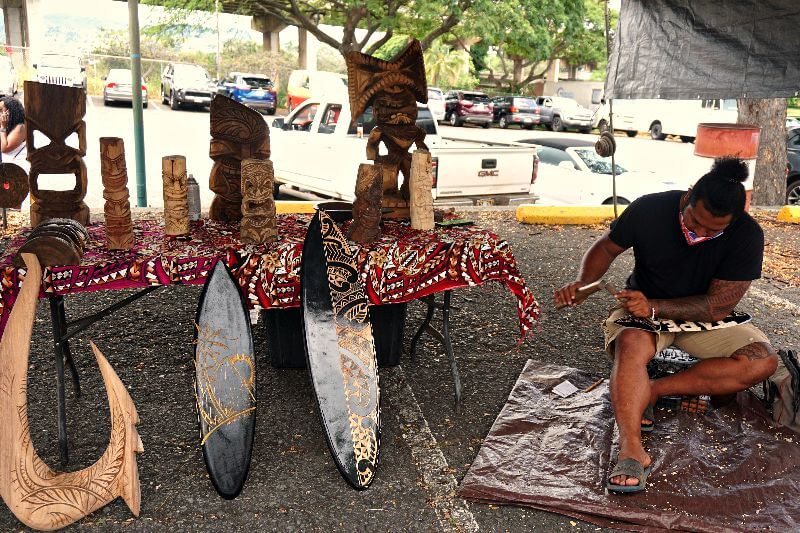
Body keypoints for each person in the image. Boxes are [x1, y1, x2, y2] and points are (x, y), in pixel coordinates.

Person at [554, 157, 777, 494]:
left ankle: (655, 390)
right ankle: (631, 449)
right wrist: (584, 284)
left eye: (712, 231)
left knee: (763, 360)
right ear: (688, 197)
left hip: (701, 317)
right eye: (695, 222)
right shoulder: (650, 209)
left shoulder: (746, 234)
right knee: (630, 346)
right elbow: (606, 247)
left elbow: (719, 305)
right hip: (641, 314)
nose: (700, 233)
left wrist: (656, 307)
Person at [0, 95, 28, 171]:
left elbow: (4, 148)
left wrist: (3, 126)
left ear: (11, 111)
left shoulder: (20, 127)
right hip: (7, 168)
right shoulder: (7, 125)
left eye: (0, 109)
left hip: (17, 170)